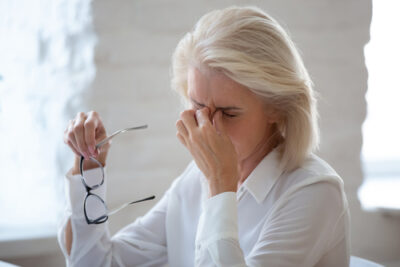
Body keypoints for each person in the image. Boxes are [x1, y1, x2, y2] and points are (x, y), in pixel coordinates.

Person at [58, 5, 350, 267]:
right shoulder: (194, 181)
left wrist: (220, 186)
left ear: (277, 108)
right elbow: (97, 262)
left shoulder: (314, 192)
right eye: (197, 106)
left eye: (230, 113)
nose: (209, 128)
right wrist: (90, 168)